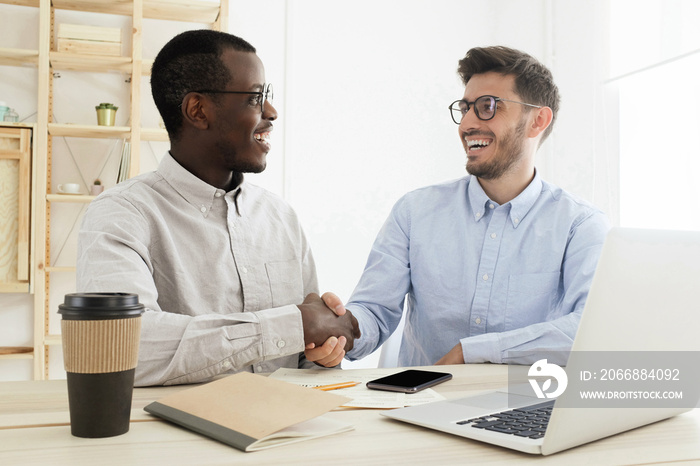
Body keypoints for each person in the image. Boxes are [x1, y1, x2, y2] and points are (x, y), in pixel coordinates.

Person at [76, 29, 358, 386]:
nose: (271, 112)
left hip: (287, 430)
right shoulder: (120, 214)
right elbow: (119, 343)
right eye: (256, 98)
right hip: (177, 437)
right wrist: (292, 325)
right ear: (198, 110)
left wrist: (324, 351)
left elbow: (307, 356)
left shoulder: (280, 217)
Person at [329, 46, 610, 367]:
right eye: (465, 109)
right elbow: (374, 311)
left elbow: (589, 331)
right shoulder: (414, 212)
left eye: (488, 106)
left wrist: (476, 352)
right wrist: (339, 331)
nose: (467, 124)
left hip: (525, 408)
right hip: (419, 405)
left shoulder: (581, 225)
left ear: (538, 120)